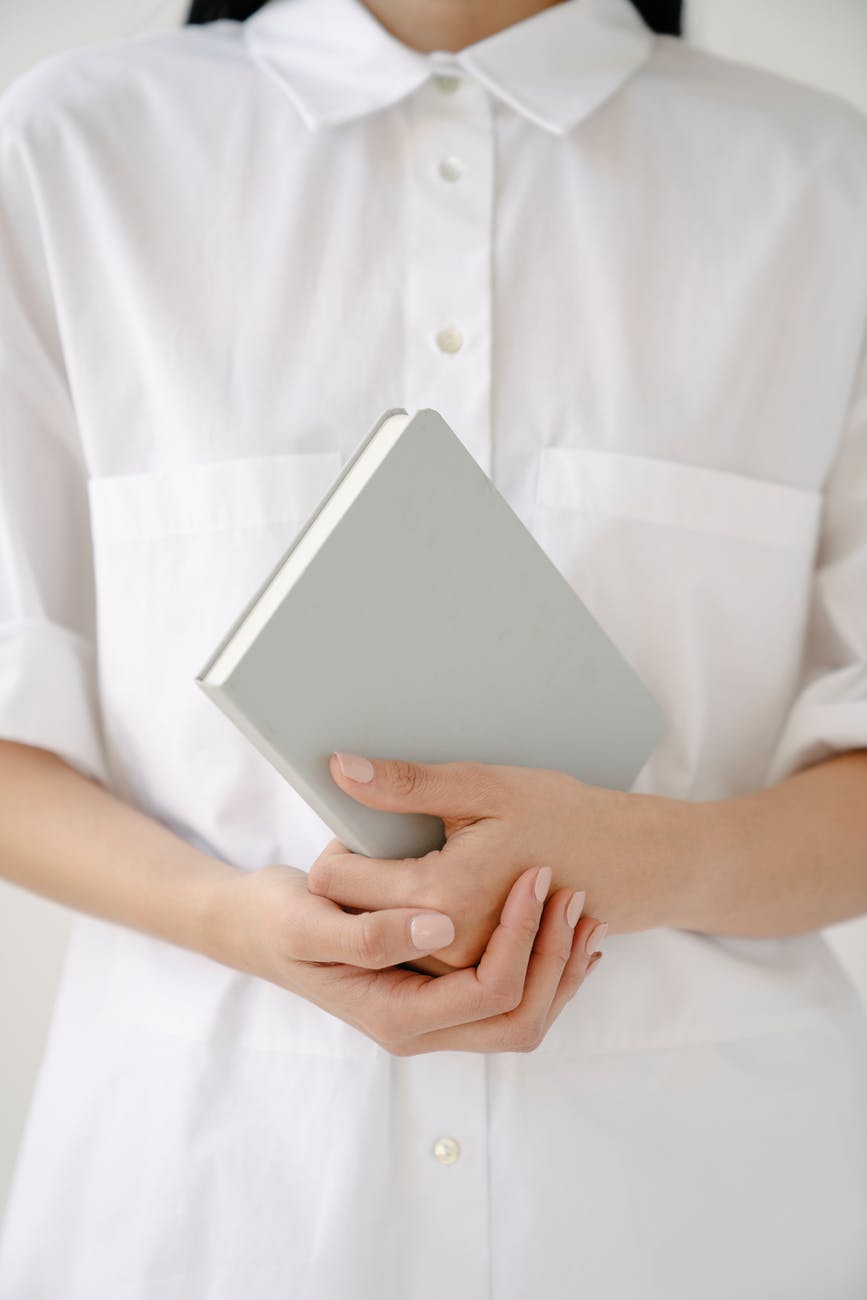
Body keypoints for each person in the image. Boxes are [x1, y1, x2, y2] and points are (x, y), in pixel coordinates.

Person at [1, 0, 866, 1294]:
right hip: (215, 1208)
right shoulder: (73, 149)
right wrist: (232, 920)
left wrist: (644, 860)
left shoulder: (820, 181)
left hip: (701, 1219)